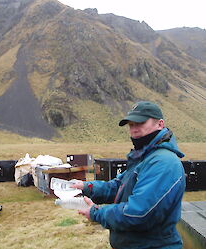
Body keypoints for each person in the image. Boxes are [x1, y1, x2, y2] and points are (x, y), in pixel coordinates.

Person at [73, 101, 186, 249]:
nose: (134, 129)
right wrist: (85, 187)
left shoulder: (163, 162)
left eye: (140, 123)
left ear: (160, 124)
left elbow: (139, 213)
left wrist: (97, 213)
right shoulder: (145, 157)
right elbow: (118, 186)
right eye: (131, 124)